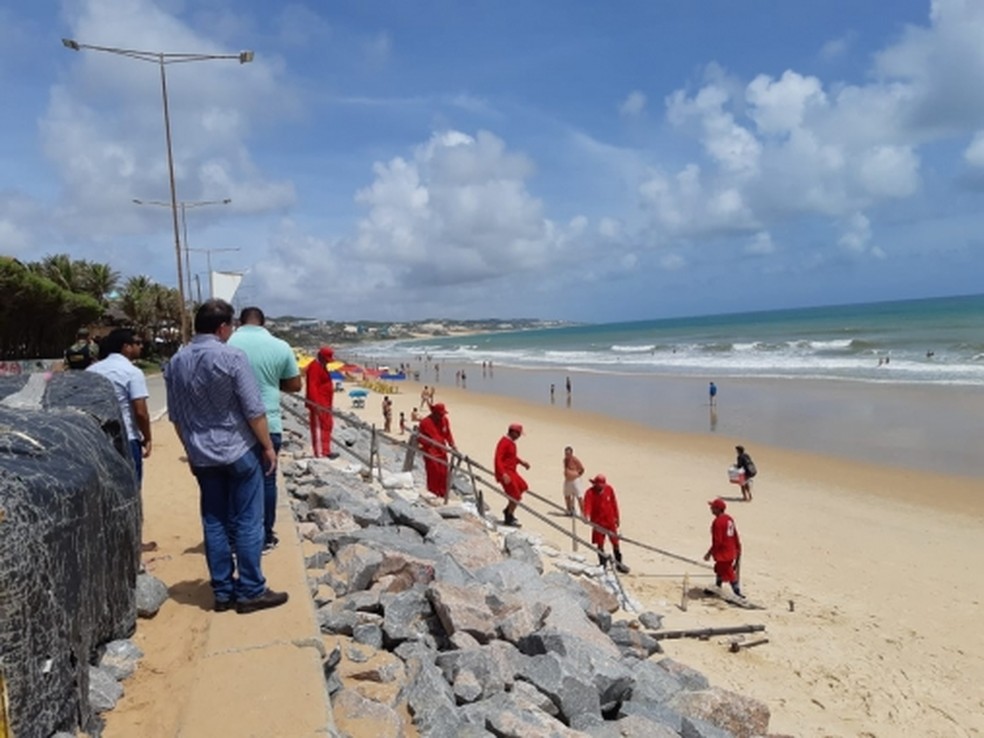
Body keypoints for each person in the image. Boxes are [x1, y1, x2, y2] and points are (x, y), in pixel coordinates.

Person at [165, 299, 287, 614]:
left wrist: (190, 449)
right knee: (248, 520)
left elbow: (177, 416)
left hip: (202, 453)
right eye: (230, 326)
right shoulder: (232, 356)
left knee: (214, 520)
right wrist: (268, 446)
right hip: (238, 450)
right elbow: (254, 409)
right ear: (222, 327)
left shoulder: (176, 362)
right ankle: (250, 590)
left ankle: (222, 591)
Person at [228, 306, 302, 552]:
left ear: (239, 321)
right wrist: (271, 381)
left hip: (233, 425)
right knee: (267, 481)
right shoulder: (280, 346)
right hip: (269, 422)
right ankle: (265, 535)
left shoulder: (227, 342)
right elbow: (294, 385)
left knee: (234, 481)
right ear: (264, 323)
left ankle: (235, 535)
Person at [87, 328, 156, 554]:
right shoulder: (132, 372)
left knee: (105, 490)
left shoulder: (92, 370)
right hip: (126, 439)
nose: (141, 346)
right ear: (126, 346)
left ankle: (108, 541)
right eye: (137, 342)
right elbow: (141, 412)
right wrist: (147, 437)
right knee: (131, 491)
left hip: (98, 438)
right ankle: (132, 543)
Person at [582, 474, 629, 573]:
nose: (600, 488)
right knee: (600, 544)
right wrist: (587, 516)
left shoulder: (609, 489)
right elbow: (587, 505)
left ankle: (619, 564)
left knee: (615, 542)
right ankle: (603, 564)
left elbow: (613, 503)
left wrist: (617, 517)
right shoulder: (589, 493)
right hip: (598, 522)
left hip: (610, 521)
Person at [703, 498, 743, 598]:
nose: (711, 509)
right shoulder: (729, 518)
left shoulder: (717, 522)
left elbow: (717, 541)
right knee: (720, 569)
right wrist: (738, 548)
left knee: (728, 572)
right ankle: (717, 587)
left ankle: (737, 592)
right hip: (731, 549)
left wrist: (710, 553)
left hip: (724, 552)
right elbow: (735, 534)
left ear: (717, 509)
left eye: (713, 507)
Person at [495, 423, 530, 527]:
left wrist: (522, 462)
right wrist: (503, 474)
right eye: (518, 434)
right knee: (516, 496)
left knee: (523, 487)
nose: (519, 436)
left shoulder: (511, 443)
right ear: (513, 432)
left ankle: (508, 510)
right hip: (506, 472)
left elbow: (512, 457)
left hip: (512, 471)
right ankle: (509, 516)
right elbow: (498, 459)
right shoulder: (504, 442)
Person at [417, 403, 456, 497]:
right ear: (434, 413)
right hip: (430, 452)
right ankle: (433, 493)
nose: (442, 416)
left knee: (443, 472)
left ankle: (442, 493)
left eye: (443, 414)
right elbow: (420, 438)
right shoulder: (425, 423)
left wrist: (452, 444)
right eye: (440, 414)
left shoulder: (444, 420)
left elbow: (448, 434)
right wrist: (429, 444)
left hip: (442, 450)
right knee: (434, 471)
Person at [306, 346, 338, 459]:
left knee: (327, 426)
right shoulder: (314, 367)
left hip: (326, 403)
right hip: (319, 403)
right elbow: (312, 387)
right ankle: (320, 453)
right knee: (319, 428)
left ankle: (326, 450)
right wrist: (315, 405)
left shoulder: (322, 366)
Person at [562, 445, 585, 515]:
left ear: (571, 453)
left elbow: (582, 469)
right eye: (566, 454)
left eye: (568, 454)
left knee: (579, 497)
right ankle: (569, 510)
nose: (567, 455)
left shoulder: (575, 460)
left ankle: (583, 513)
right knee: (567, 495)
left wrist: (576, 475)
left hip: (575, 481)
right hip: (567, 480)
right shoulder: (565, 460)